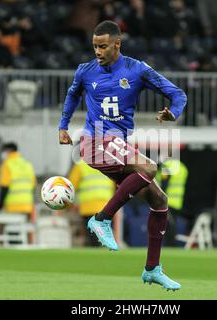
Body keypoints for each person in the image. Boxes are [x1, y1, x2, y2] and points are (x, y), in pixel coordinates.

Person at [58, 21, 187, 290]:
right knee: (149, 167)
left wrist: (174, 112)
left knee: (160, 200)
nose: (97, 51)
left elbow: (177, 93)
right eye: (94, 46)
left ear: (118, 44)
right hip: (95, 141)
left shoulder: (137, 69)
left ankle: (152, 268)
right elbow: (72, 96)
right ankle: (102, 219)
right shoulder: (85, 71)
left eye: (103, 46)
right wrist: (63, 126)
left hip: (116, 145)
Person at [68, 159, 116, 247]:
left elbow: (69, 188)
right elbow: (114, 185)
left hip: (88, 207)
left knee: (94, 242)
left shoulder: (81, 165)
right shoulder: (108, 164)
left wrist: (70, 205)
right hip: (107, 207)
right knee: (105, 238)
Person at [155, 158, 189, 246]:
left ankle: (171, 245)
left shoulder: (167, 165)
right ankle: (172, 245)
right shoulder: (182, 167)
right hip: (177, 202)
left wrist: (160, 199)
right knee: (171, 225)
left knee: (167, 226)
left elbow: (164, 184)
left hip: (167, 202)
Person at [0, 143, 36, 217]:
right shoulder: (28, 164)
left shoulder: (7, 164)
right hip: (27, 207)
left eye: (4, 151)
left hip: (12, 207)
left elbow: (4, 187)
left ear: (9, 151)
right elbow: (33, 186)